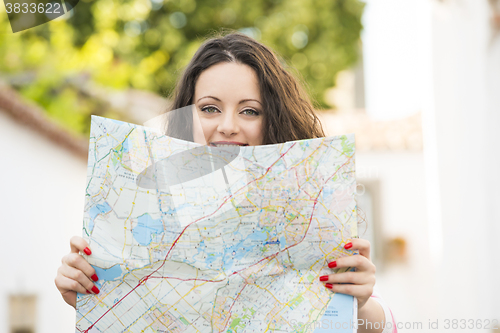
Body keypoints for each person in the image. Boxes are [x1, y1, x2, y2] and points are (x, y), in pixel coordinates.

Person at [55, 31, 396, 333]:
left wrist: (360, 306)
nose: (228, 126)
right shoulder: (137, 214)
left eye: (250, 110)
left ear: (272, 118)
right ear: (186, 116)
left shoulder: (309, 214)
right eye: (209, 108)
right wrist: (91, 300)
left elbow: (369, 324)